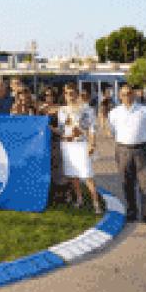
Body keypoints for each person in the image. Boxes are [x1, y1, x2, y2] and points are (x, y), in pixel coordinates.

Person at [108, 84, 146, 224]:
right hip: (123, 150)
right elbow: (112, 132)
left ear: (134, 95)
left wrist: (139, 139)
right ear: (119, 96)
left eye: (129, 93)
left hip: (142, 150)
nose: (127, 96)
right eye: (123, 94)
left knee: (145, 183)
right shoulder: (114, 113)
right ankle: (131, 212)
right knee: (127, 183)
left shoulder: (144, 111)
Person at [58, 83, 103, 214]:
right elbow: (62, 129)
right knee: (73, 175)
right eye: (66, 93)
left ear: (77, 94)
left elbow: (93, 128)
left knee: (87, 175)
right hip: (67, 146)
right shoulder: (62, 110)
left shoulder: (86, 109)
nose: (69, 96)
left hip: (81, 145)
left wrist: (92, 144)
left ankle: (96, 203)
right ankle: (79, 198)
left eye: (72, 93)